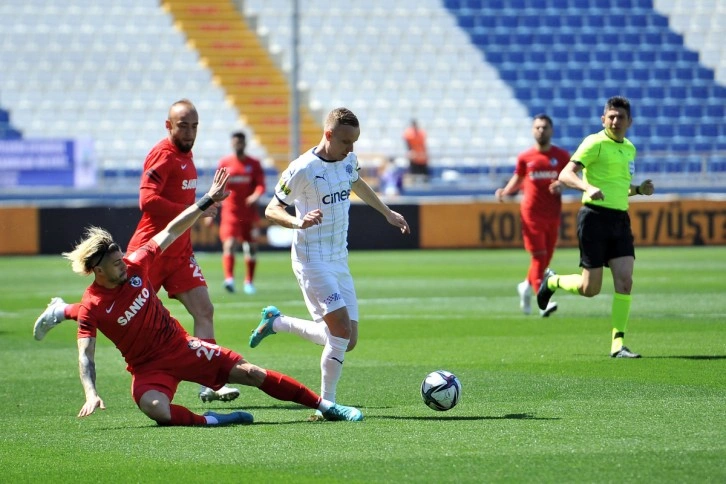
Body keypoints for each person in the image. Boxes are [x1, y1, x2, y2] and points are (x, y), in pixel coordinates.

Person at [62, 167, 362, 426]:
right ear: (98, 271)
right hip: (147, 369)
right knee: (155, 409)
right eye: (115, 263)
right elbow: (85, 355)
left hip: (182, 347)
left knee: (252, 373)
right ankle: (215, 420)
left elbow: (170, 230)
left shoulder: (135, 263)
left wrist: (206, 200)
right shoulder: (91, 306)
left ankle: (326, 406)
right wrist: (91, 392)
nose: (123, 265)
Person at [33, 99, 240, 403]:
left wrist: (200, 210)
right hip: (151, 248)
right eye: (183, 125)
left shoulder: (187, 154)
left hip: (180, 252)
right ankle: (62, 310)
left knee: (204, 310)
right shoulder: (162, 155)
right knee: (126, 313)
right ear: (168, 125)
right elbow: (147, 201)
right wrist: (195, 207)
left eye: (194, 126)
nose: (190, 132)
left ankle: (210, 381)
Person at [248, 107, 410, 419]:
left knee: (347, 340)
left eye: (355, 142)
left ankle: (277, 322)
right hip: (312, 258)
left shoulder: (348, 159)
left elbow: (356, 182)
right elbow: (271, 209)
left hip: (339, 257)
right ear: (329, 135)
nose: (352, 149)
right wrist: (298, 222)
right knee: (340, 329)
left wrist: (387, 212)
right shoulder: (302, 169)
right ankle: (328, 405)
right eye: (346, 141)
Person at [536, 96, 655, 358]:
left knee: (625, 281)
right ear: (603, 119)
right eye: (610, 116)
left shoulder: (629, 149)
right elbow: (566, 174)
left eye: (620, 117)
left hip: (620, 220)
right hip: (593, 218)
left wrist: (638, 190)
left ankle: (617, 345)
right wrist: (587, 186)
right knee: (590, 289)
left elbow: (616, 188)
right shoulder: (594, 142)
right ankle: (553, 281)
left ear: (629, 122)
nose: (615, 121)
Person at [495, 114, 570, 317]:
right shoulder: (525, 157)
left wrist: (562, 184)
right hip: (531, 214)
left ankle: (525, 286)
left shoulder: (562, 156)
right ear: (532, 130)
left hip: (553, 214)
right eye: (537, 127)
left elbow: (571, 176)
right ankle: (542, 301)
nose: (541, 131)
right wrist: (505, 191)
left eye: (544, 127)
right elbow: (518, 178)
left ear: (551, 130)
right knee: (539, 257)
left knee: (545, 259)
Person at [207, 131, 265, 295]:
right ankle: (229, 279)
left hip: (249, 213)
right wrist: (211, 208)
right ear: (232, 144)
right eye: (235, 142)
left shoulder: (254, 164)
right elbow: (217, 189)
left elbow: (261, 185)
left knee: (251, 247)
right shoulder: (225, 163)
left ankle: (249, 282)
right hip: (231, 213)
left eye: (240, 142)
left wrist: (255, 195)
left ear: (245, 143)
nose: (237, 145)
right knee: (230, 244)